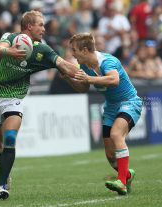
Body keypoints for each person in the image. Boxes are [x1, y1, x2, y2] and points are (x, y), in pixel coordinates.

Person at [0, 10, 80, 200]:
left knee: (10, 137)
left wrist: (86, 73)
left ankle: (1, 186)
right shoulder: (10, 37)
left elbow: (65, 65)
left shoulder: (43, 51)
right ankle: (6, 171)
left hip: (14, 98)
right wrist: (8, 51)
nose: (44, 29)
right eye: (41, 25)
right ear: (29, 26)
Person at [59, 33, 142, 195]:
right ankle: (126, 174)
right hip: (111, 107)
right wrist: (70, 79)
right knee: (110, 155)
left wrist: (89, 79)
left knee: (116, 134)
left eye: (74, 50)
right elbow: (84, 88)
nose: (72, 54)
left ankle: (122, 183)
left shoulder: (107, 61)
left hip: (129, 101)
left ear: (84, 50)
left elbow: (114, 80)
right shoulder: (83, 66)